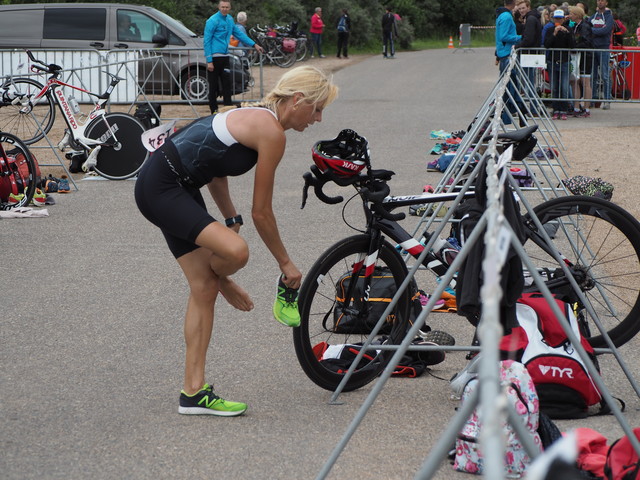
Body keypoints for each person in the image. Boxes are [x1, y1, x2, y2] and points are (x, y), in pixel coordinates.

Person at [134, 66, 338, 416]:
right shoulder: (271, 131)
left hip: (172, 186)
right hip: (163, 188)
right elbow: (263, 212)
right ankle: (222, 279)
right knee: (236, 251)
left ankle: (193, 393)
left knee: (203, 286)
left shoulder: (255, 116)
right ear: (298, 100)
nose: (318, 119)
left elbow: (214, 167)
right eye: (316, 109)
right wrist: (285, 263)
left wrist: (230, 218)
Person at [204, 1, 263, 114]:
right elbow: (206, 41)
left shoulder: (230, 19)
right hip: (215, 57)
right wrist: (209, 60)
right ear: (219, 7)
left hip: (225, 56)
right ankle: (213, 110)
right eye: (222, 7)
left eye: (227, 7)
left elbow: (239, 34)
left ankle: (227, 109)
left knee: (227, 85)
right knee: (213, 85)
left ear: (230, 8)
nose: (224, 9)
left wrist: (254, 44)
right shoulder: (212, 20)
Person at [495, 0, 523, 125]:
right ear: (513, 4)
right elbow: (504, 36)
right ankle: (507, 117)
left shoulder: (502, 15)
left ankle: (511, 115)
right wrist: (521, 37)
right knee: (509, 89)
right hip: (506, 54)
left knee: (510, 88)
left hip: (504, 54)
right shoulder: (506, 16)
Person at [544, 9, 575, 120]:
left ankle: (564, 109)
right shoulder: (550, 30)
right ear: (553, 19)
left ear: (563, 19)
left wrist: (566, 33)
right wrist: (554, 33)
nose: (558, 21)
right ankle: (556, 109)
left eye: (560, 18)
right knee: (554, 87)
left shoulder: (569, 30)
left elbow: (572, 45)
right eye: (556, 18)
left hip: (565, 62)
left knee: (564, 87)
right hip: (552, 61)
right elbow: (547, 44)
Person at [515, 0, 542, 114]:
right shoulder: (532, 18)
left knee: (528, 81)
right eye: (519, 9)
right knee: (529, 81)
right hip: (530, 53)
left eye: (523, 8)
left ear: (528, 7)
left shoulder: (530, 19)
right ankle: (533, 107)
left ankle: (534, 108)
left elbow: (529, 39)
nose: (521, 10)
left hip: (529, 54)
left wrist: (517, 46)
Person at [569, 5, 593, 117]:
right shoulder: (574, 25)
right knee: (575, 81)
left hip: (585, 56)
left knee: (585, 82)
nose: (570, 16)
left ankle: (587, 108)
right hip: (577, 57)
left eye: (572, 14)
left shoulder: (585, 26)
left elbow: (586, 41)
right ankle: (576, 107)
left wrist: (575, 46)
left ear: (577, 15)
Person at [590, 0, 614, 109]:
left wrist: (593, 31)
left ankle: (607, 99)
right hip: (593, 48)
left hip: (603, 48)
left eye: (602, 0)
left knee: (605, 74)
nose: (600, 2)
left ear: (606, 3)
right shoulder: (593, 16)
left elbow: (606, 31)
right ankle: (592, 99)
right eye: (598, 0)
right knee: (593, 75)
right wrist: (596, 30)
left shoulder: (609, 17)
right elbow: (587, 28)